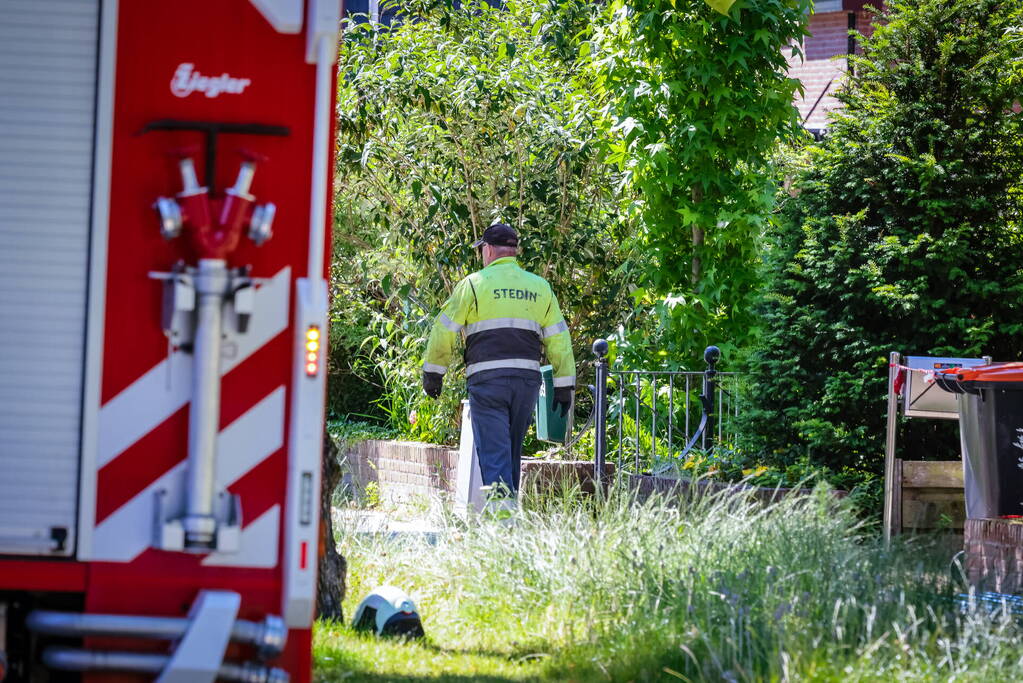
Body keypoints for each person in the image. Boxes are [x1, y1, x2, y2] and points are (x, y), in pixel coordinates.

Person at [422, 222, 575, 507]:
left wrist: (434, 373)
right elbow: (559, 339)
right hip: (526, 383)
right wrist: (564, 385)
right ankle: (508, 518)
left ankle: (502, 525)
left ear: (488, 250)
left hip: (487, 381)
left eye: (481, 250)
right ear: (514, 251)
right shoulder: (539, 287)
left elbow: (443, 330)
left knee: (495, 454)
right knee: (510, 451)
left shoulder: (473, 285)